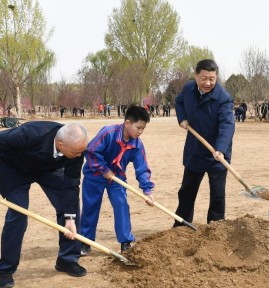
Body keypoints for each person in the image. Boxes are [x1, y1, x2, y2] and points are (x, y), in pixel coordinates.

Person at [0, 122, 89, 287]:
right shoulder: (31, 133)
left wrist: (70, 218)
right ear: (61, 144)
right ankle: (5, 269)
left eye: (80, 152)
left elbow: (71, 183)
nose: (79, 156)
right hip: (13, 170)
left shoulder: (77, 149)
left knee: (70, 204)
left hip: (46, 169)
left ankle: (67, 259)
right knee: (18, 214)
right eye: (76, 152)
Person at [80, 105, 155, 256]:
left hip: (117, 177)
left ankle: (125, 242)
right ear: (127, 123)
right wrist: (104, 169)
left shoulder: (137, 144)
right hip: (94, 175)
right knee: (90, 207)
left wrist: (147, 190)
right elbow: (91, 151)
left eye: (143, 129)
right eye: (138, 127)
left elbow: (142, 167)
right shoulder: (108, 133)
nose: (140, 132)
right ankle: (85, 241)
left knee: (121, 205)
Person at [173, 59, 235, 227]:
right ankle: (182, 225)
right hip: (195, 150)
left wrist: (220, 149)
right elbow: (179, 102)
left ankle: (216, 227)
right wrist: (182, 118)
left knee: (217, 194)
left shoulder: (223, 98)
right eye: (204, 78)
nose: (208, 83)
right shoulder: (188, 89)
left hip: (217, 154)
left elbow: (227, 125)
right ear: (196, 76)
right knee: (187, 191)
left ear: (217, 77)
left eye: (212, 79)